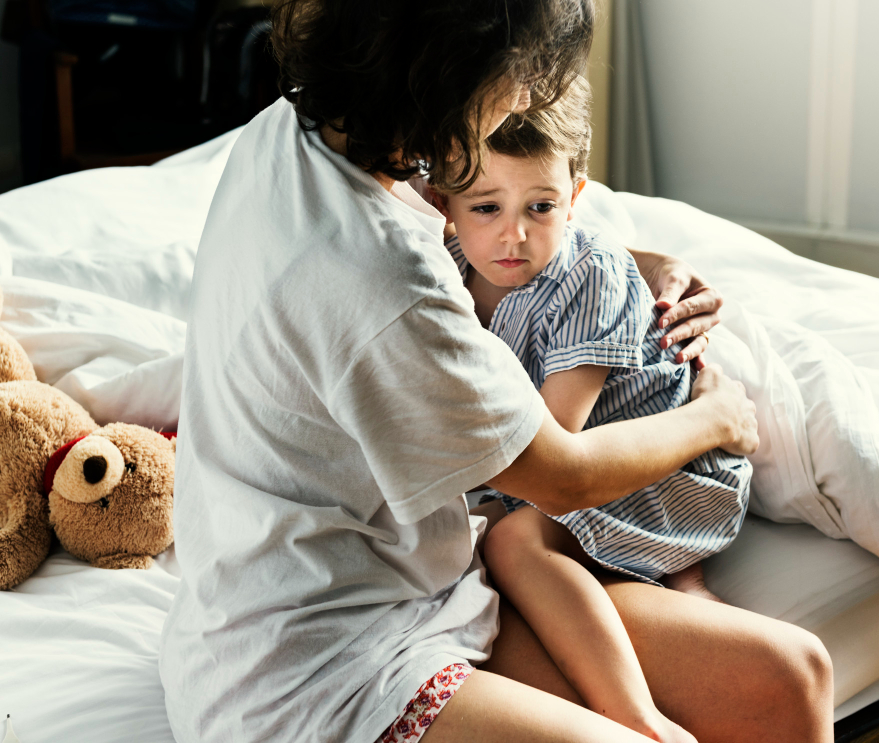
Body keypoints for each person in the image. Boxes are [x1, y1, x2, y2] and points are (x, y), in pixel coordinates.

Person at [158, 2, 834, 742]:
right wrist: (717, 417)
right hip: (318, 666)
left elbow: (482, 238)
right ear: (447, 79)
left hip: (423, 589)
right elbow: (564, 474)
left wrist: (631, 266)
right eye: (518, 82)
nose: (525, 101)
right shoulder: (382, 280)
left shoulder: (291, 133)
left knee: (793, 674)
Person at [431, 75, 751, 740]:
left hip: (664, 468)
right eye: (486, 207)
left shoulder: (589, 273)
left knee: (513, 536)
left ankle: (639, 721)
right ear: (444, 204)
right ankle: (675, 585)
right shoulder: (445, 263)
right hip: (588, 463)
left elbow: (555, 443)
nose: (513, 235)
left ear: (575, 198)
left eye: (541, 206)